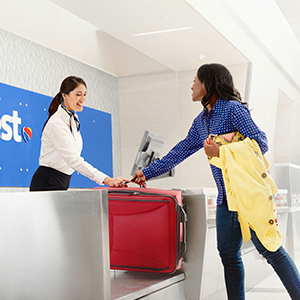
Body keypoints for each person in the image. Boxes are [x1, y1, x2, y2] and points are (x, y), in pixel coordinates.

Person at [132, 63, 300, 299]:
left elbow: (261, 143)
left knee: (270, 249)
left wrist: (221, 150)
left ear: (209, 84)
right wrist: (147, 172)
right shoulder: (201, 121)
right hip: (225, 198)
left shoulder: (233, 110)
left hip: (248, 195)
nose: (191, 85)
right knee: (228, 255)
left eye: (195, 80)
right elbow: (180, 150)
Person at [30, 76, 129, 191]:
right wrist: (106, 179)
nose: (83, 99)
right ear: (64, 95)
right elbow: (73, 159)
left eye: (85, 94)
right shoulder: (56, 123)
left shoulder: (73, 119)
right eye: (78, 94)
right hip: (48, 181)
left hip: (63, 179)